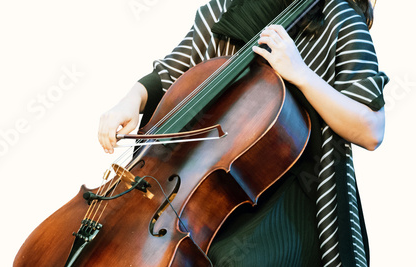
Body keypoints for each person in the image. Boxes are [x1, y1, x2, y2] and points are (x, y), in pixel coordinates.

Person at [98, 0, 387, 266]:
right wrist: (129, 102)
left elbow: (370, 129)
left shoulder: (340, 19)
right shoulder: (228, 6)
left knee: (227, 260)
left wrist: (301, 73)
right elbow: (170, 73)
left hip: (291, 185)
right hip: (208, 178)